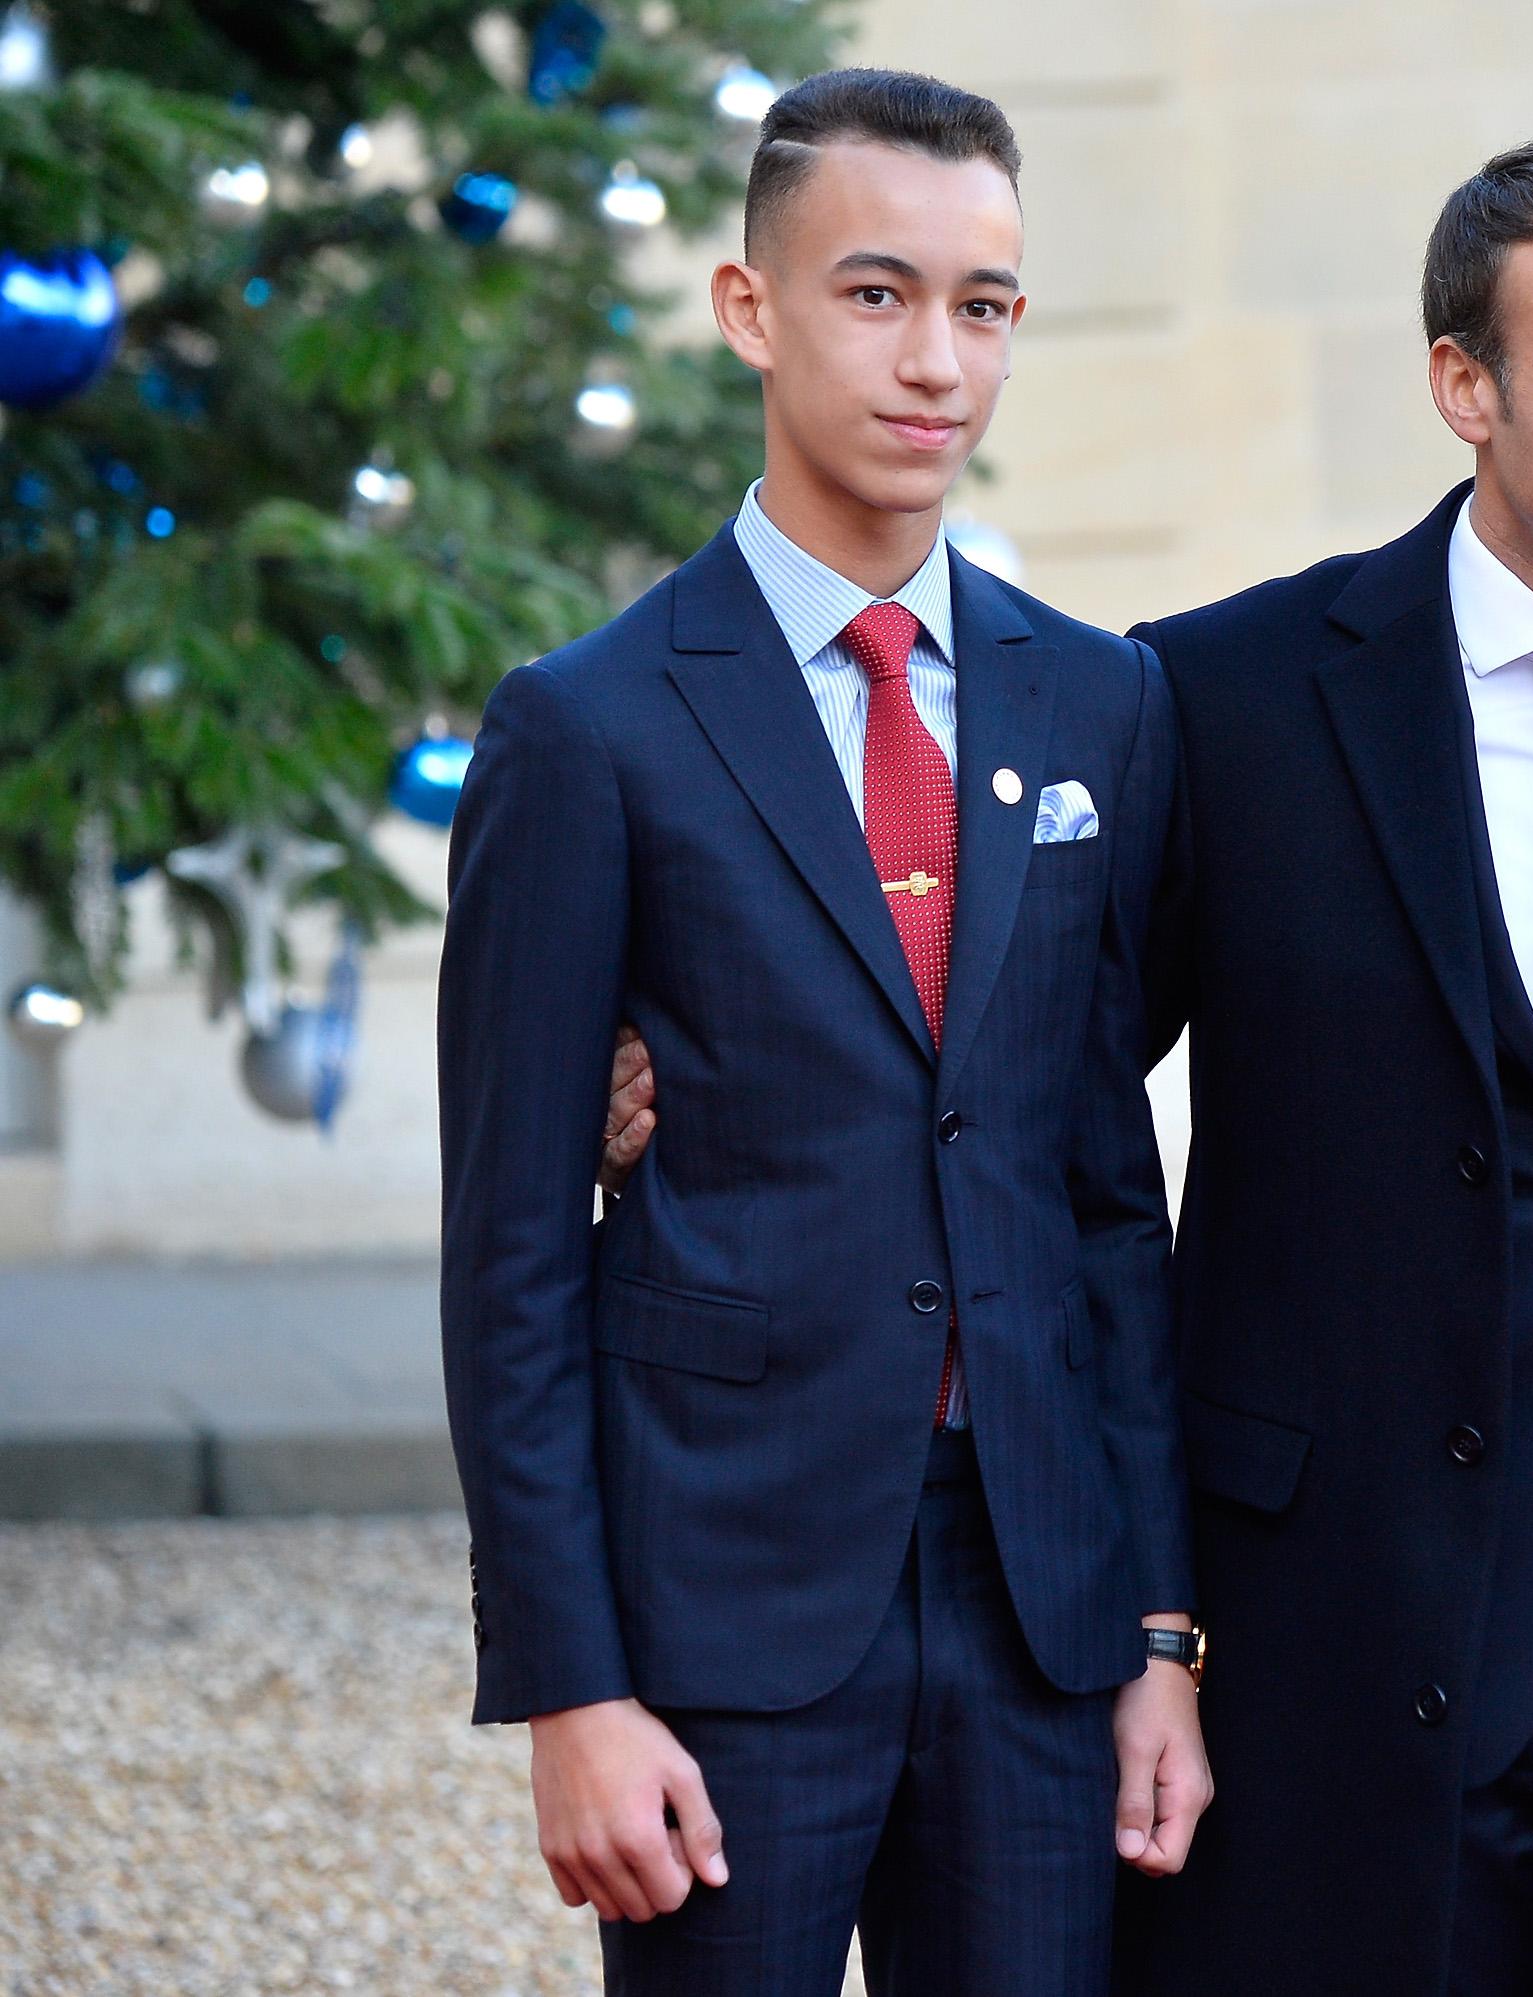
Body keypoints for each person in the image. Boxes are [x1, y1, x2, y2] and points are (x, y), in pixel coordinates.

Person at [607, 126, 1533, 1996]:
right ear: (1463, 384)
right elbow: (1022, 1092)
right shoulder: (1222, 700)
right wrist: (687, 1078)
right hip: (1355, 1644)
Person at [440, 68, 1206, 1997]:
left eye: (983, 304)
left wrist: (1159, 1634)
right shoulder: (589, 725)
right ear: (750, 308)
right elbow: (510, 1252)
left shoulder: (1101, 703)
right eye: (877, 293)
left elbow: (1109, 1201)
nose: (937, 358)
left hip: (1043, 1612)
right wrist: (572, 1688)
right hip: (723, 1607)